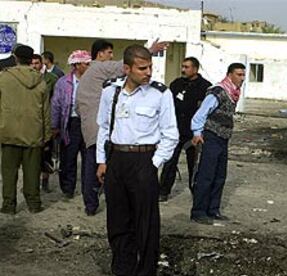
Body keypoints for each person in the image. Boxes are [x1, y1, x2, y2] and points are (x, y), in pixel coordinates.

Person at [95, 44, 178, 276]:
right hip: (116, 160)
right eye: (142, 68)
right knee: (118, 224)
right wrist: (101, 161)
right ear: (127, 68)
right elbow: (104, 128)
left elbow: (171, 134)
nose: (148, 72)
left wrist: (152, 164)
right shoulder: (111, 91)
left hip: (144, 161)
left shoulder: (160, 95)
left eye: (150, 67)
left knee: (146, 227)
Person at [76, 39, 167, 215]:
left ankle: (91, 203)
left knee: (92, 164)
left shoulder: (89, 74)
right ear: (99, 54)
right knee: (101, 167)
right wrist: (150, 50)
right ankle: (99, 202)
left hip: (90, 126)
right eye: (109, 53)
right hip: (103, 128)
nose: (111, 56)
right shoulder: (100, 68)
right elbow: (126, 65)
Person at [190, 63, 246, 225]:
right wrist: (197, 132)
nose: (241, 78)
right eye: (238, 74)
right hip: (211, 136)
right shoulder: (219, 92)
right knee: (206, 175)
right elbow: (201, 113)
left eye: (243, 75)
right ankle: (199, 211)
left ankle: (213, 210)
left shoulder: (233, 93)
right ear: (229, 75)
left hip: (223, 138)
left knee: (219, 176)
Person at [0, 45, 51, 214]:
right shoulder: (41, 80)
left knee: (8, 172)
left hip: (8, 132)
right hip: (33, 133)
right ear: (31, 60)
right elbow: (45, 111)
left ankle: (9, 205)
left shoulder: (4, 78)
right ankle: (34, 204)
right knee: (32, 172)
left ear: (15, 58)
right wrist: (47, 135)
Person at [159, 57, 211, 202]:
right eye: (182, 66)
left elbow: (205, 111)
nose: (183, 70)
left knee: (194, 165)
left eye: (187, 67)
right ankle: (163, 191)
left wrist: (199, 131)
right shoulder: (176, 84)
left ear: (195, 69)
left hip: (193, 133)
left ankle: (197, 194)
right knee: (169, 162)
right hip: (176, 130)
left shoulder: (205, 87)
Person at [51, 50, 91, 202]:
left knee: (89, 158)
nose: (89, 66)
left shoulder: (93, 82)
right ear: (77, 65)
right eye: (86, 64)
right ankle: (68, 188)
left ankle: (88, 188)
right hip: (70, 123)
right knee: (68, 158)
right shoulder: (63, 82)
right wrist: (55, 126)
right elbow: (56, 105)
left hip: (88, 124)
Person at [31, 54, 59, 192]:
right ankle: (32, 183)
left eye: (36, 63)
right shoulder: (28, 79)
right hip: (30, 121)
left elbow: (55, 102)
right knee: (32, 156)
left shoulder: (52, 79)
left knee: (46, 154)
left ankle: (45, 181)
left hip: (46, 121)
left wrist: (54, 123)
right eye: (32, 63)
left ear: (42, 63)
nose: (34, 66)